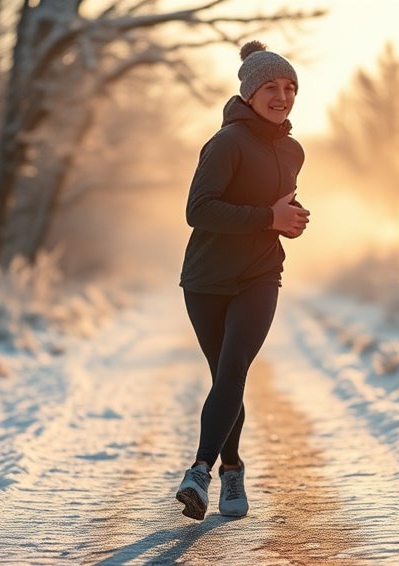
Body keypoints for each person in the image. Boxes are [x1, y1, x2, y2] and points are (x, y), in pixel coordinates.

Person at [175, 40, 310, 521]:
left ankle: (199, 473)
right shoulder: (226, 143)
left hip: (259, 274)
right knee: (223, 378)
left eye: (290, 87)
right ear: (250, 93)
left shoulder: (293, 150)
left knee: (233, 369)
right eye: (271, 87)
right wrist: (266, 217)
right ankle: (232, 467)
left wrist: (288, 219)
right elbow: (199, 210)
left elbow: (276, 211)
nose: (282, 95)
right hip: (207, 279)